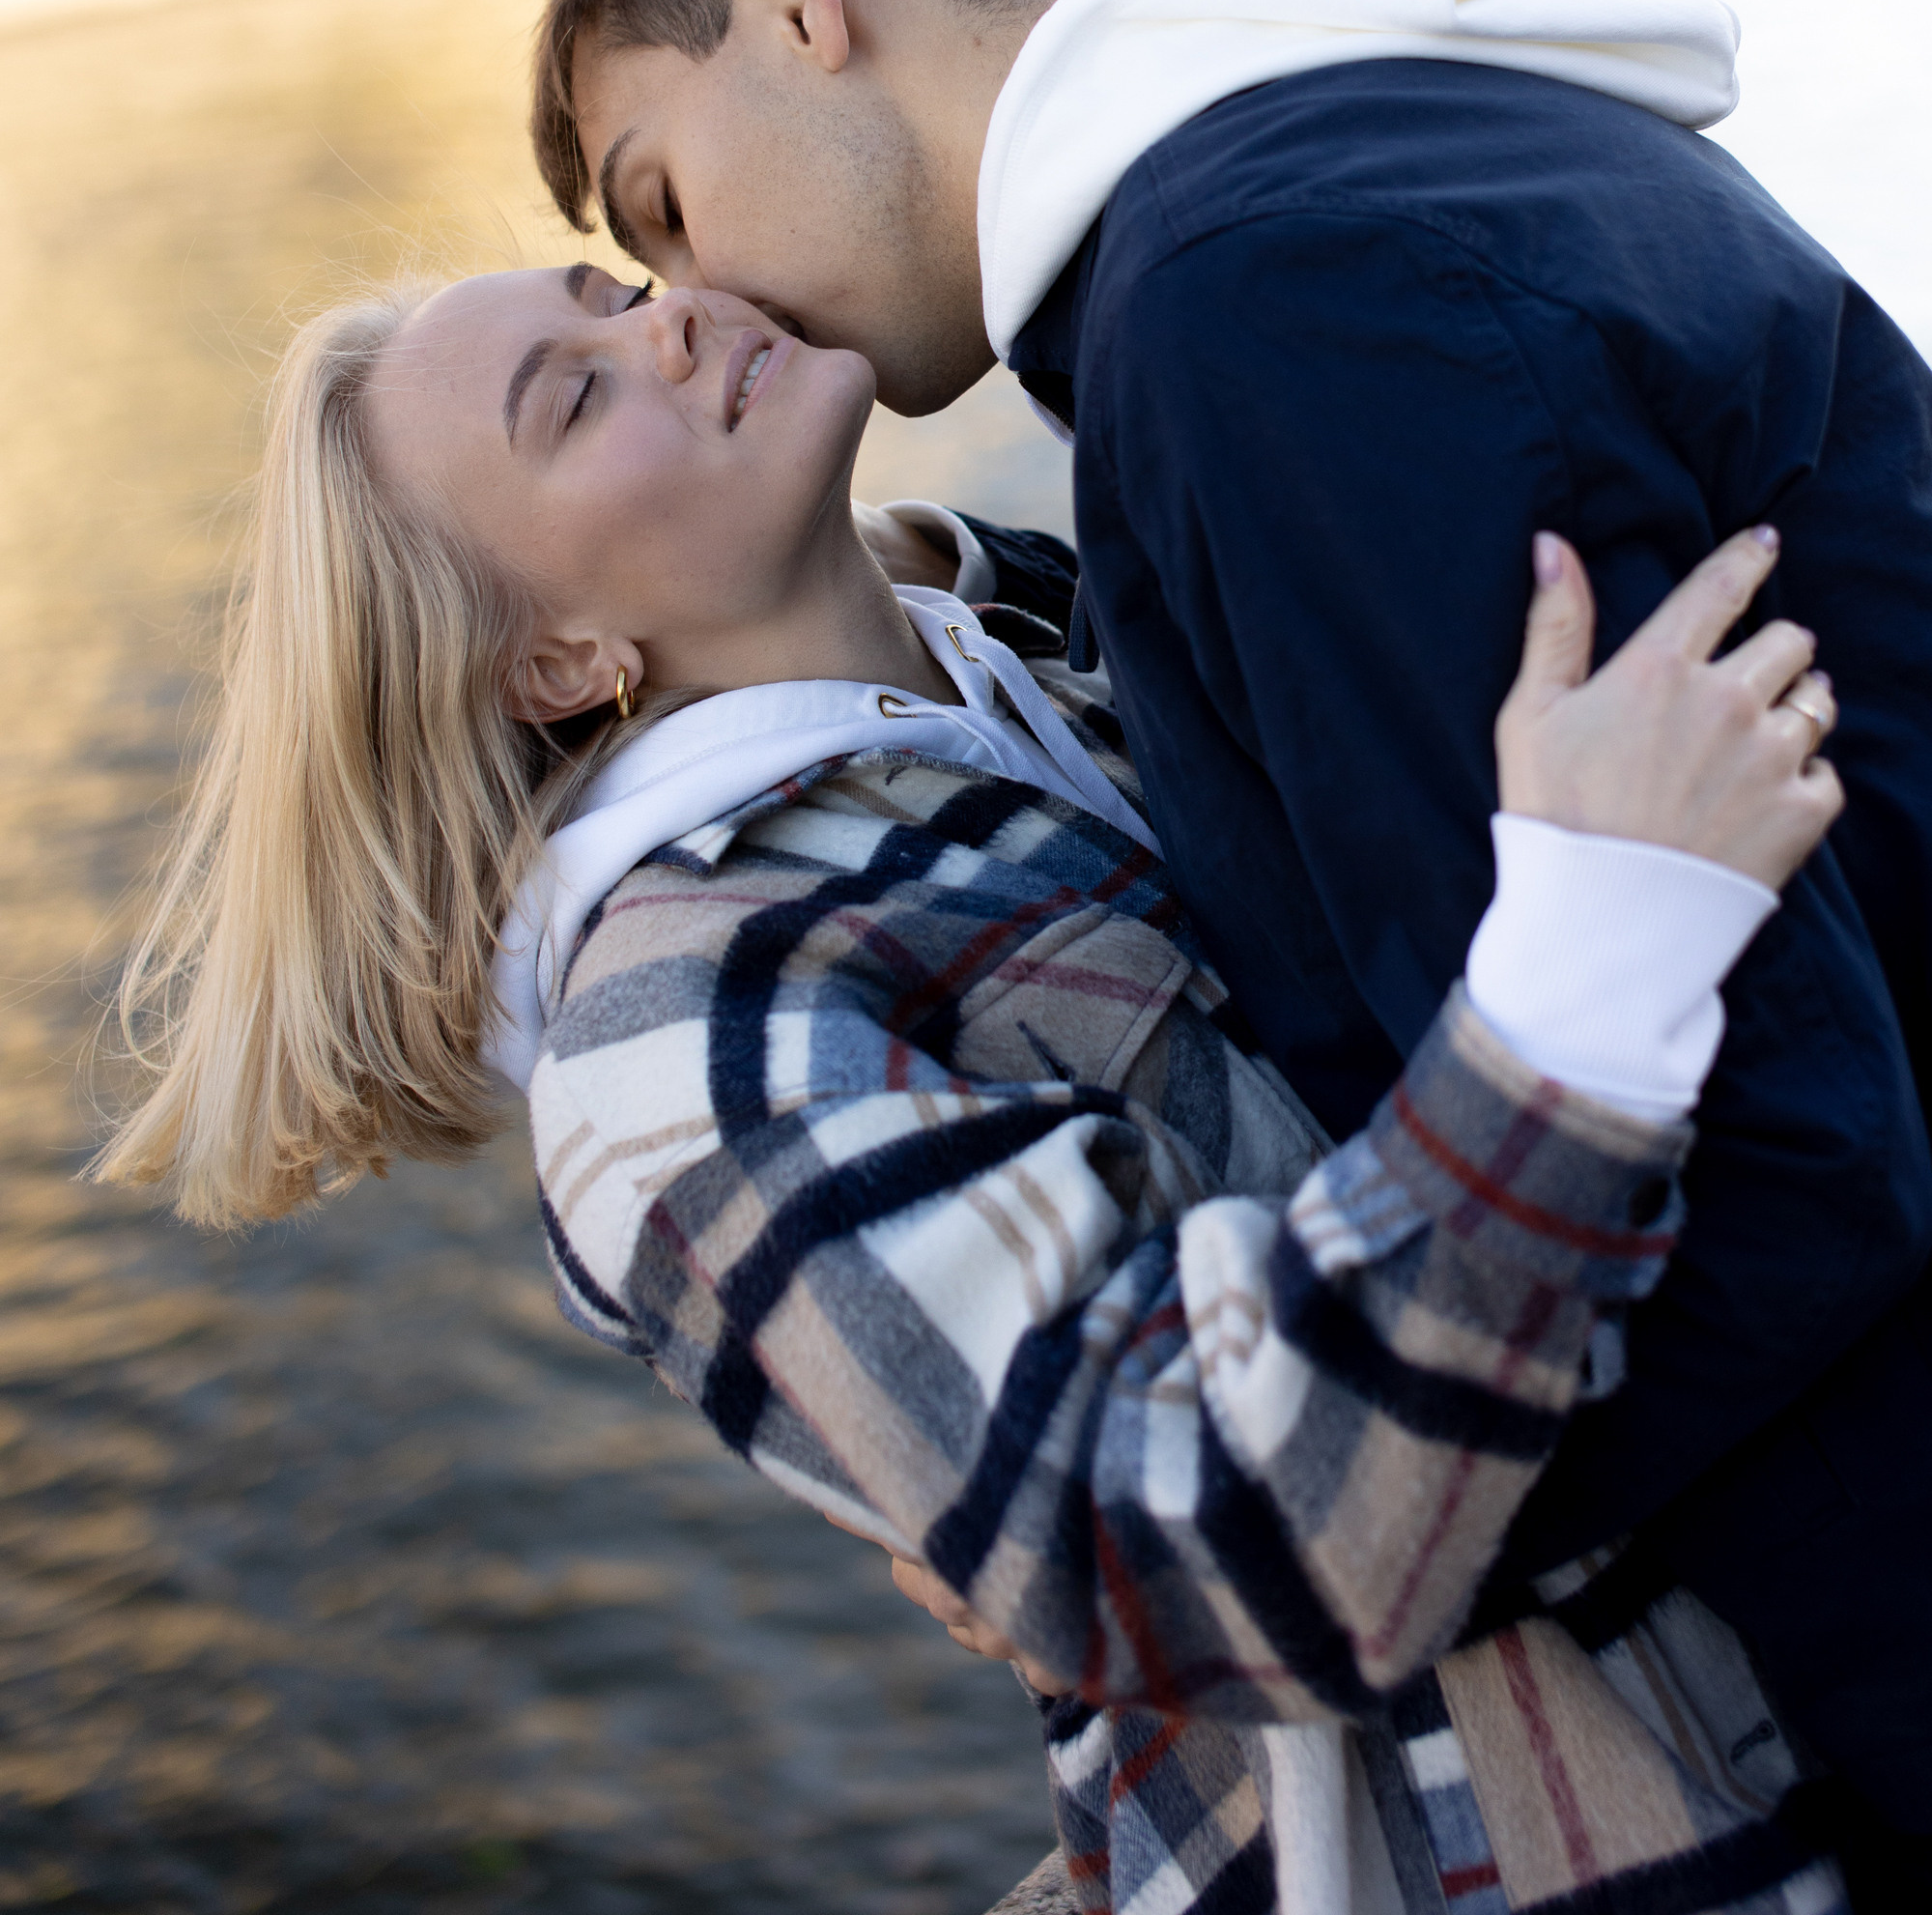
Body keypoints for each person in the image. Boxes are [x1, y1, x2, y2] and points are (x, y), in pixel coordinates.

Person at [526, 0, 1932, 1851]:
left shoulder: (1256, 304)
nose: (701, 298)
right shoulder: (1352, 132)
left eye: (656, 203)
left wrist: (1193, 1590)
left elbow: (1766, 1160)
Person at [100, 262, 1852, 1912]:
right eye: (576, 398)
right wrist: (1580, 979)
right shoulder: (680, 1030)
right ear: (559, 662)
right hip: (1543, 1848)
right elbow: (1193, 1531)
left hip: (1806, 1636)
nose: (675, 323)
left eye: (621, 290)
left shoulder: (1056, 648)